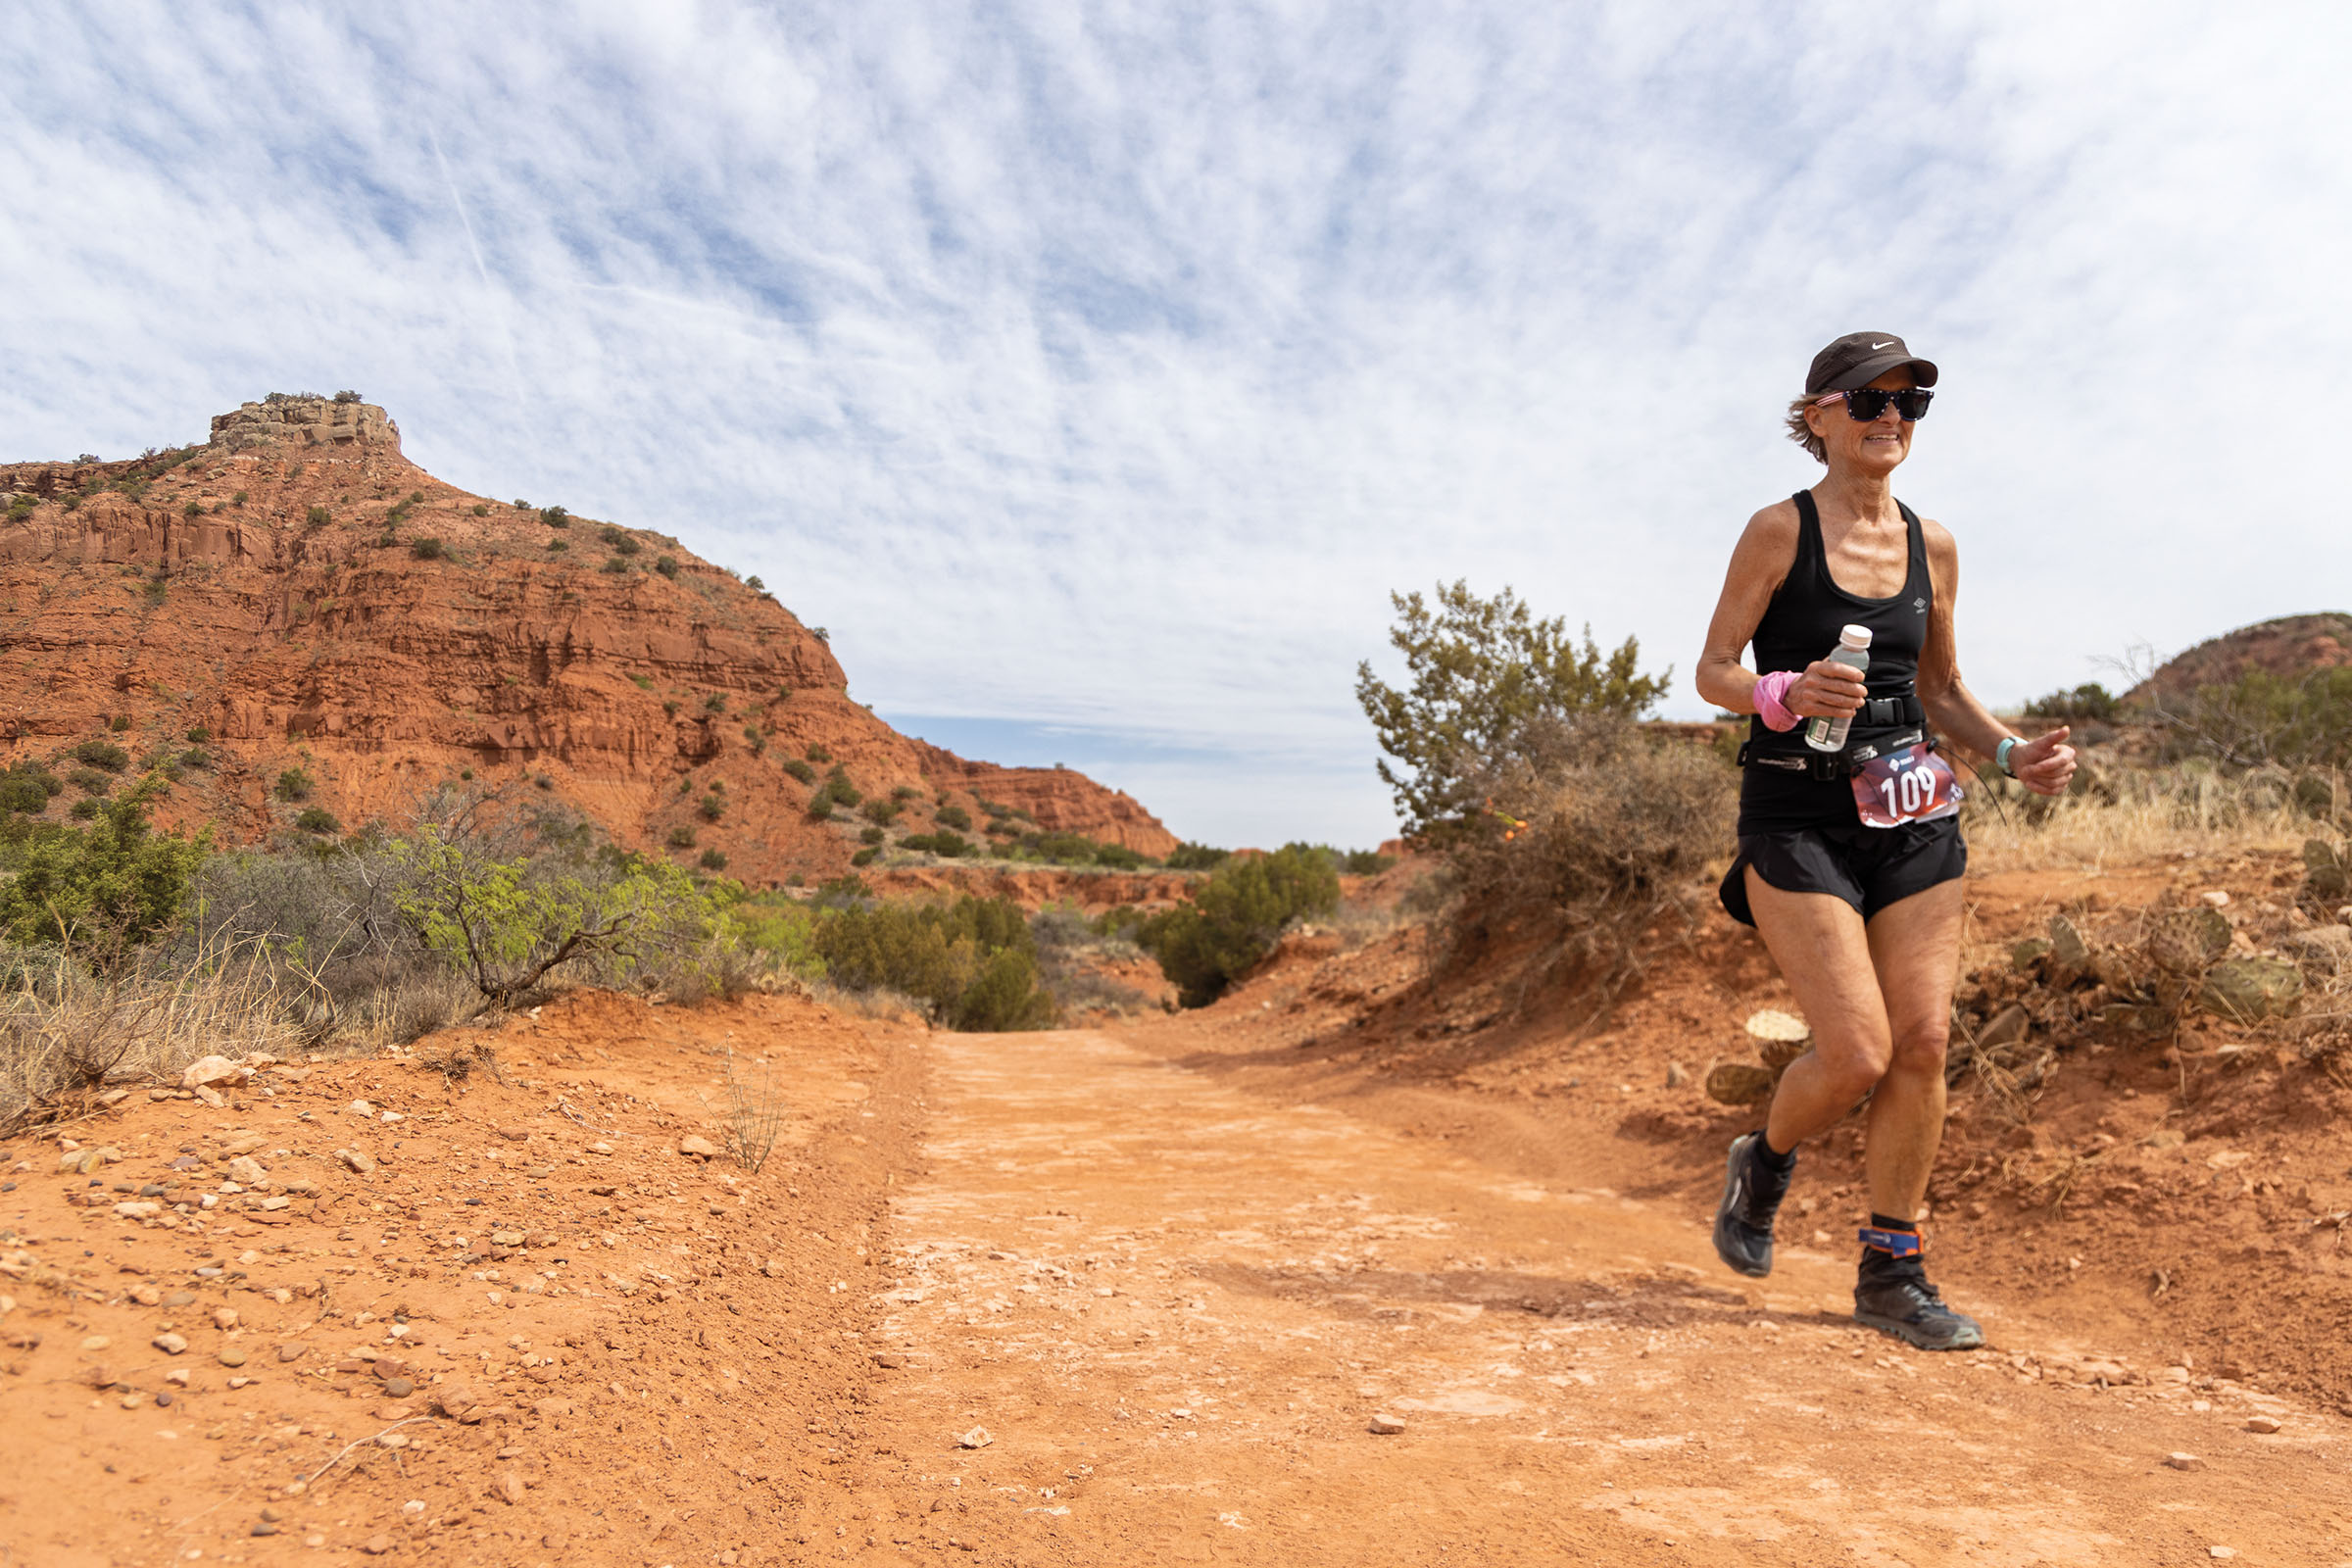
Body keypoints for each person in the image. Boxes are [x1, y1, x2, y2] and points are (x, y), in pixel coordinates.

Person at [1693, 331, 2076, 1349]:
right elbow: (1715, 669)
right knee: (1857, 1051)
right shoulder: (1779, 531)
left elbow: (1941, 687)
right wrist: (1780, 691)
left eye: (1911, 402)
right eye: (1869, 400)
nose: (1892, 418)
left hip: (1913, 805)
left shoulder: (1932, 542)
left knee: (1925, 1042)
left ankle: (1890, 1269)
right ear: (1817, 414)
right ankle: (1765, 1161)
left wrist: (2007, 753)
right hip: (1797, 810)